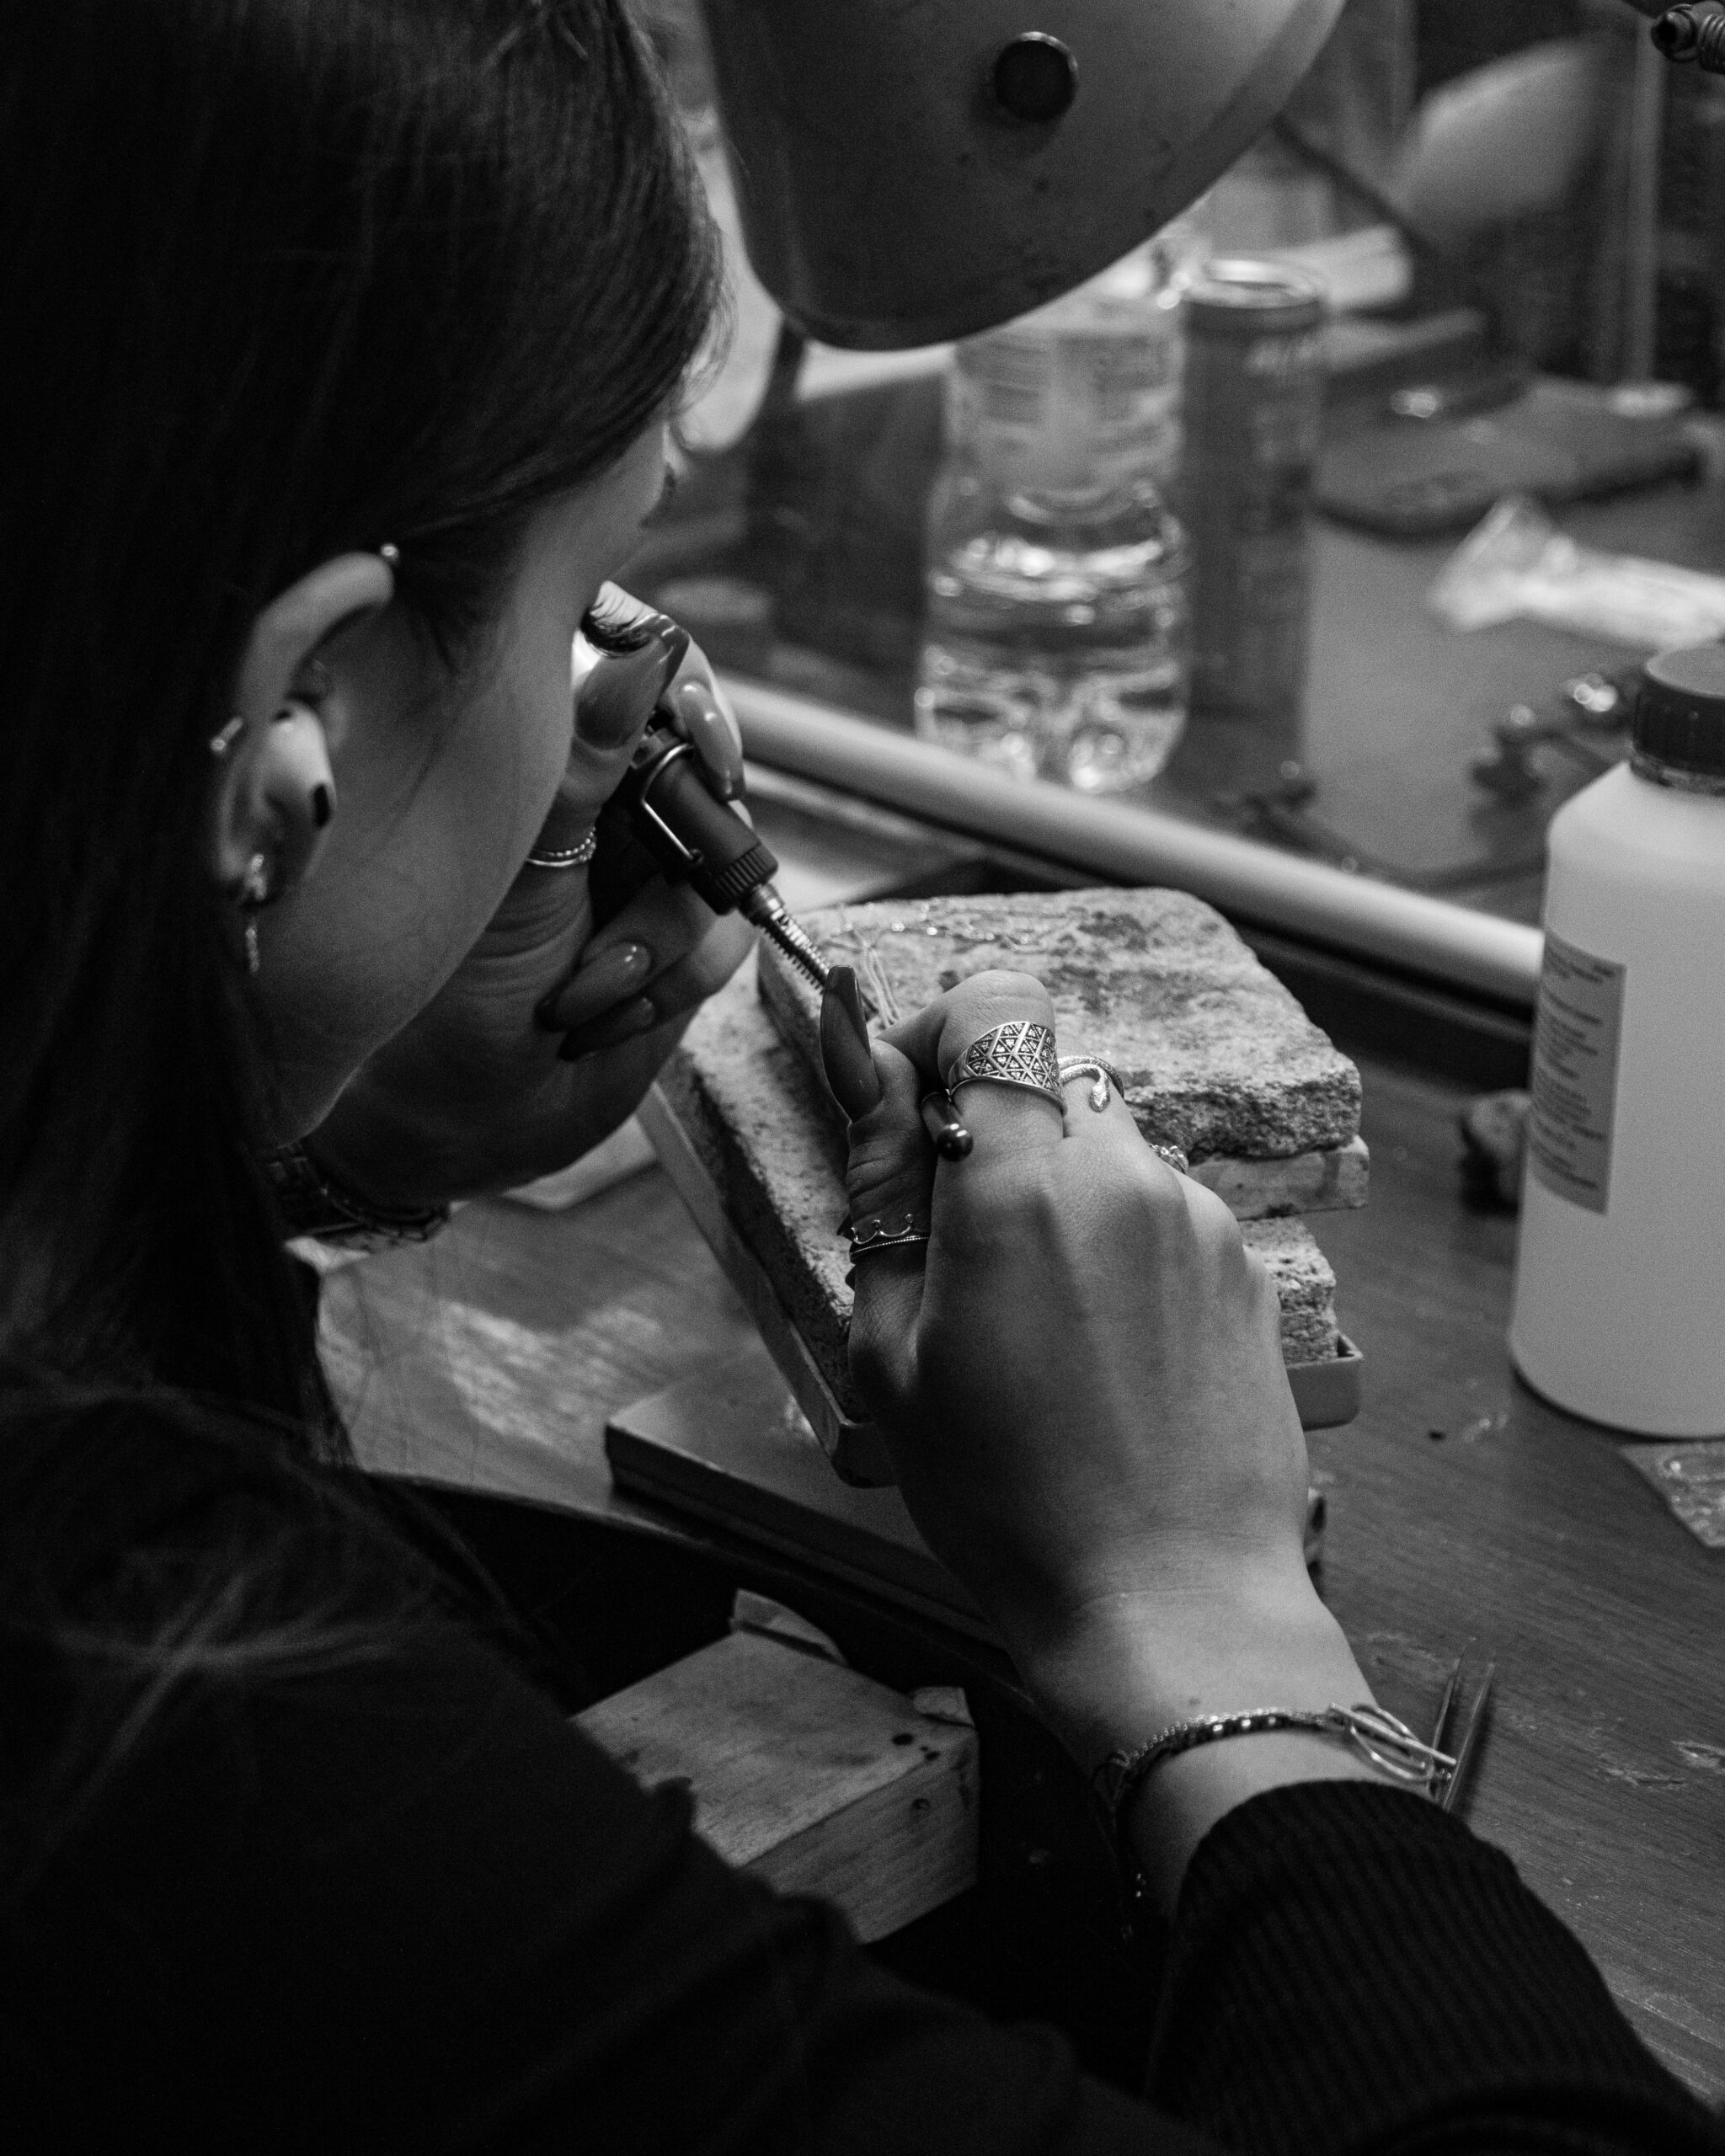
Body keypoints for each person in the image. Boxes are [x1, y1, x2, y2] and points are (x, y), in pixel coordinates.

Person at [1, 3, 1717, 2150]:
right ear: (301, 715)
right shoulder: (211, 1770)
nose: (592, 694)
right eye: (573, 603)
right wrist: (1203, 1625)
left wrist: (293, 1090)